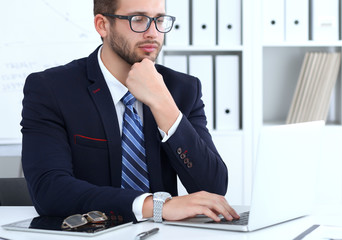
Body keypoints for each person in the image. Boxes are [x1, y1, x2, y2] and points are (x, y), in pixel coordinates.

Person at [21, 0, 239, 223]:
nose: (153, 33)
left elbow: (213, 189)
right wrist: (155, 206)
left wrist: (163, 103)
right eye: (139, 19)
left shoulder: (182, 89)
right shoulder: (51, 89)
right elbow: (48, 190)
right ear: (102, 25)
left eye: (159, 20)